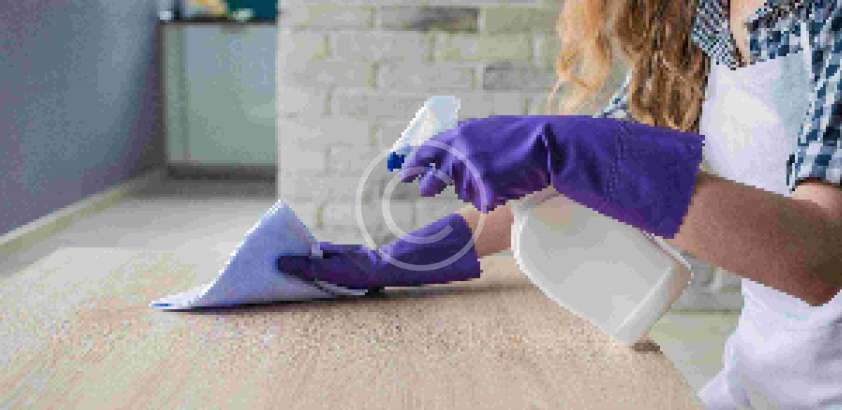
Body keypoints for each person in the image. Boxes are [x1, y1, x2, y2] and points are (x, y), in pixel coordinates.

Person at [277, 0, 842, 407]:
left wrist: (571, 151)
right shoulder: (701, 20)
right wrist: (400, 260)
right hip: (759, 379)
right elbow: (565, 178)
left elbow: (820, 258)